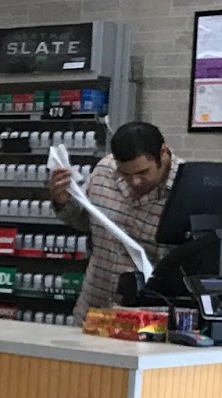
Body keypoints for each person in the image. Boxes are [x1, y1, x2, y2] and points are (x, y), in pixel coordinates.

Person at [51, 120, 177, 318]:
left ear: (163, 152)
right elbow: (86, 222)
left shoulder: (187, 188)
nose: (135, 181)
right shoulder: (104, 170)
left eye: (143, 172)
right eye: (125, 174)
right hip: (93, 310)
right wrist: (63, 201)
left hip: (146, 319)